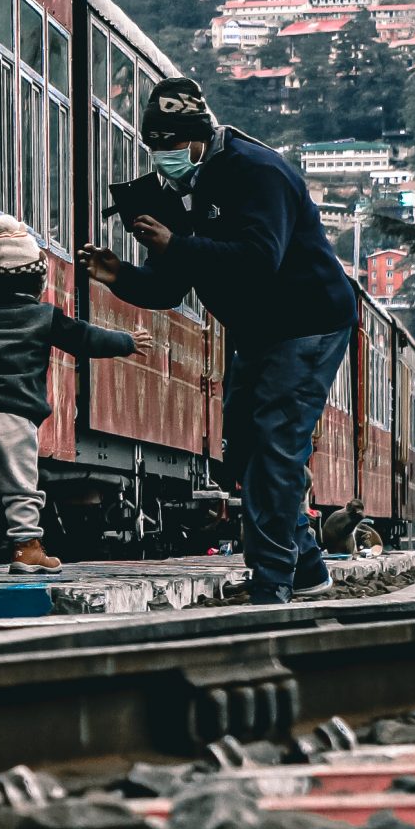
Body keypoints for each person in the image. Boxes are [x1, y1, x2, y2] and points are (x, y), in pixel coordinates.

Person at [79, 74, 356, 604]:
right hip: (256, 330)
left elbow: (258, 260)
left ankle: (273, 580)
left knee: (277, 442)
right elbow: (170, 287)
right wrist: (120, 276)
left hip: (308, 321)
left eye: (169, 145)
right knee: (245, 447)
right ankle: (306, 566)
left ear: (197, 138)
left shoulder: (259, 173)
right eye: (152, 146)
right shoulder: (183, 188)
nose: (161, 157)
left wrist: (177, 244)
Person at [0, 222, 150, 572]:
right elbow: (85, 338)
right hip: (16, 421)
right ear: (38, 282)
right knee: (20, 485)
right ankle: (26, 548)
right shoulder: (44, 318)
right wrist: (126, 342)